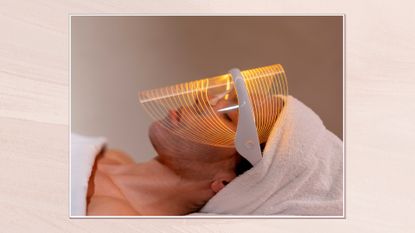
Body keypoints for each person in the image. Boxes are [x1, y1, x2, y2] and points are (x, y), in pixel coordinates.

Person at [85, 96, 260, 216]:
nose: (203, 100)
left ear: (224, 183)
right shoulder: (112, 157)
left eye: (227, 116)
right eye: (227, 97)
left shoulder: (110, 216)